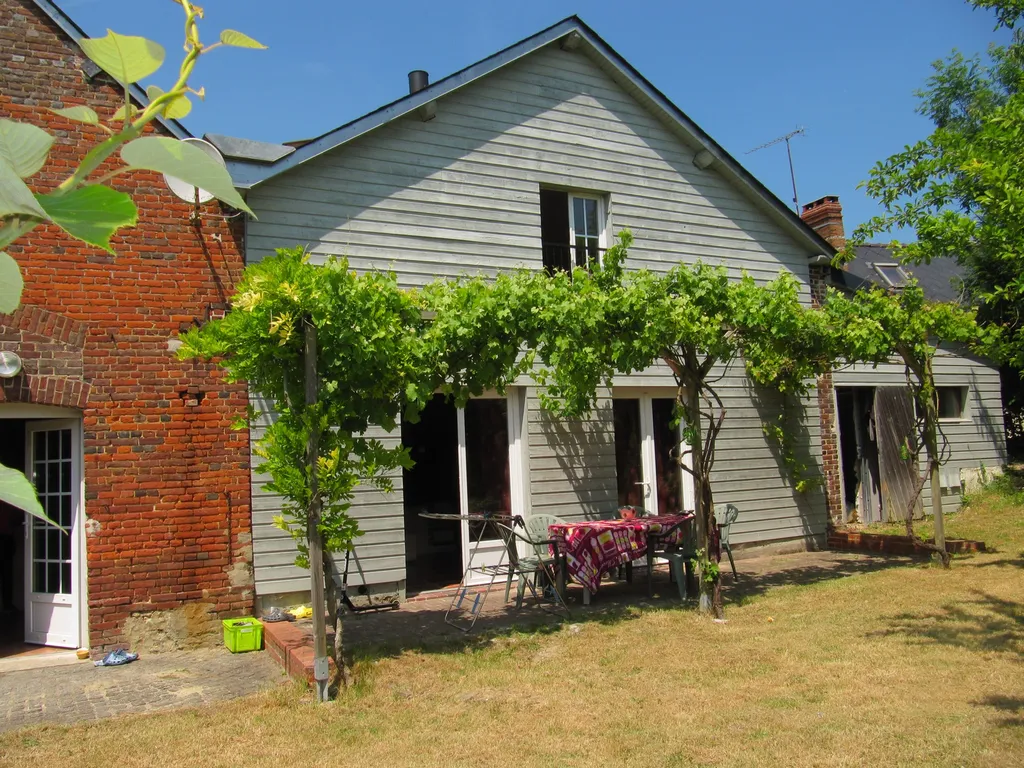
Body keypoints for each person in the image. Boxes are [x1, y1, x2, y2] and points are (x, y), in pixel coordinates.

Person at [0, 504, 20, 614]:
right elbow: (17, 520)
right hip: (6, 538)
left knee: (7, 574)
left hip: (6, 539)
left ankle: (8, 605)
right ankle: (7, 605)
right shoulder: (9, 502)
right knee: (7, 574)